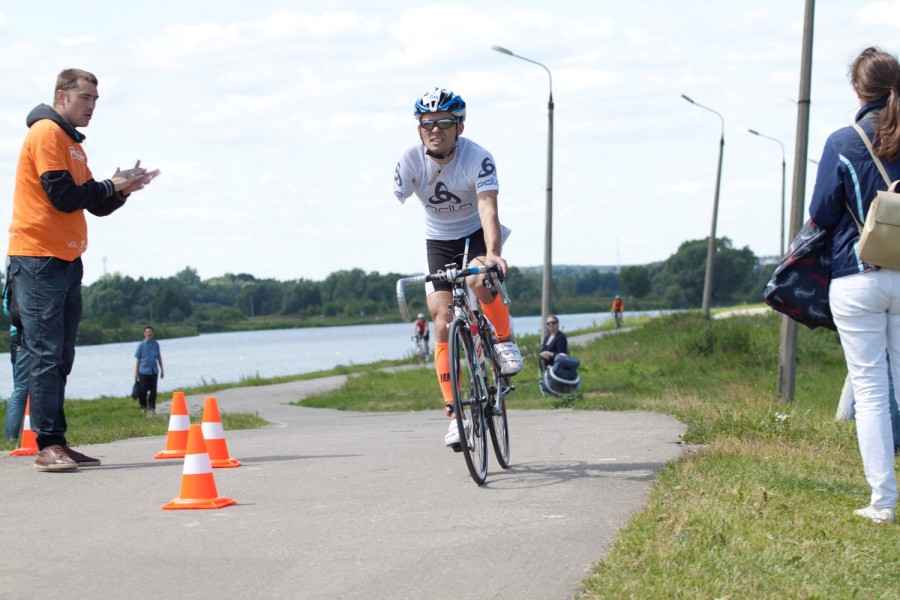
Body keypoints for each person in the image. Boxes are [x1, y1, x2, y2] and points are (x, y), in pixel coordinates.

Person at [6, 68, 159, 471]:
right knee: (45, 354)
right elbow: (62, 196)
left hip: (66, 259)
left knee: (61, 356)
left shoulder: (72, 145)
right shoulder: (46, 133)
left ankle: (57, 441)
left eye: (95, 99)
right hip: (38, 259)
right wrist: (109, 184)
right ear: (61, 96)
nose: (92, 106)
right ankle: (47, 445)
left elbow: (93, 203)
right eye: (85, 98)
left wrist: (121, 190)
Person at [394, 87, 523, 448]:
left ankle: (503, 338)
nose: (435, 130)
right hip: (438, 242)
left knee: (482, 280)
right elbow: (399, 197)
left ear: (459, 127)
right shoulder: (410, 159)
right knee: (442, 321)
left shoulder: (477, 158)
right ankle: (455, 415)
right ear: (419, 129)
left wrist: (494, 252)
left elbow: (488, 209)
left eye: (445, 123)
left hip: (476, 235)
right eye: (427, 123)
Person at [808, 47, 900, 523]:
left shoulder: (842, 142)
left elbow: (822, 214)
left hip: (857, 277)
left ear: (857, 90)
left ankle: (883, 503)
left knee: (871, 394)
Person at [2, 275, 28, 443]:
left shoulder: (11, 274)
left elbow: (6, 308)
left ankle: (11, 439)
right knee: (22, 389)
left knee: (20, 387)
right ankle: (11, 438)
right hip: (24, 334)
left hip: (15, 336)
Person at [134, 325, 164, 414]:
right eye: (147, 332)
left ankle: (152, 407)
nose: (149, 334)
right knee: (143, 391)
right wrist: (136, 372)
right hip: (143, 371)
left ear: (153, 334)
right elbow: (138, 359)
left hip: (154, 371)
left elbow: (159, 357)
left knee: (153, 391)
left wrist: (162, 369)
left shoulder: (156, 344)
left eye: (150, 332)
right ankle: (143, 406)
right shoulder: (141, 345)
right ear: (144, 334)